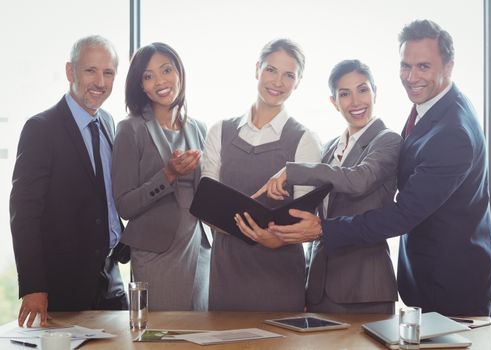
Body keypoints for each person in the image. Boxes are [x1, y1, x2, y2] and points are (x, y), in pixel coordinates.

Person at [267, 19, 491, 317]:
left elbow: (403, 213)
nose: (411, 77)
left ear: (449, 66)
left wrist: (322, 229)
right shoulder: (431, 106)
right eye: (406, 66)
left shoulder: (452, 132)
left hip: (455, 281)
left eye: (423, 66)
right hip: (427, 276)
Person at [247, 59, 402, 314]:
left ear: (375, 92)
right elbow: (320, 217)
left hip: (364, 288)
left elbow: (359, 179)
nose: (356, 102)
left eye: (363, 90)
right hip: (320, 287)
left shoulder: (387, 140)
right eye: (345, 94)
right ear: (334, 102)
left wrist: (293, 170)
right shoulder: (331, 147)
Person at [10, 35, 128, 327]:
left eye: (108, 72)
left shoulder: (110, 123)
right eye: (90, 70)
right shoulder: (41, 129)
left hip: (111, 280)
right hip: (63, 286)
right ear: (69, 71)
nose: (100, 81)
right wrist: (33, 286)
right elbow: (23, 213)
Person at [201, 38, 322, 311]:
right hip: (226, 275)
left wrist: (276, 239)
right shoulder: (219, 132)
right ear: (257, 69)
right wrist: (253, 231)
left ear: (298, 81)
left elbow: (306, 222)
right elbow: (207, 205)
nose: (277, 82)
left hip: (279, 277)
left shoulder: (305, 140)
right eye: (271, 70)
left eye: (288, 75)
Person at [112, 42, 213, 311]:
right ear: (140, 85)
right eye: (148, 76)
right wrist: (168, 174)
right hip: (156, 255)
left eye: (166, 70)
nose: (160, 81)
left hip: (199, 250)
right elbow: (124, 205)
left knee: (199, 335)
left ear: (179, 72)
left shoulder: (199, 128)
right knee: (161, 335)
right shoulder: (130, 130)